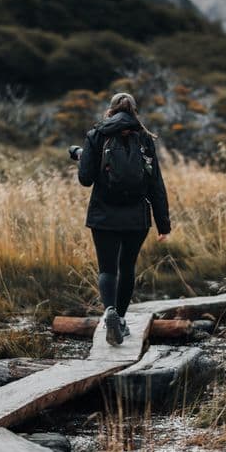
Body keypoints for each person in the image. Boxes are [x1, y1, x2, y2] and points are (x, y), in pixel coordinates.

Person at [76, 92, 171, 345]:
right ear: (134, 112)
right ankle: (121, 319)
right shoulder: (145, 138)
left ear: (110, 110)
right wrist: (164, 224)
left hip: (103, 215)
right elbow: (156, 184)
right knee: (126, 267)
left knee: (107, 269)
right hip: (136, 217)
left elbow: (85, 178)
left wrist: (81, 156)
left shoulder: (96, 134)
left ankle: (110, 314)